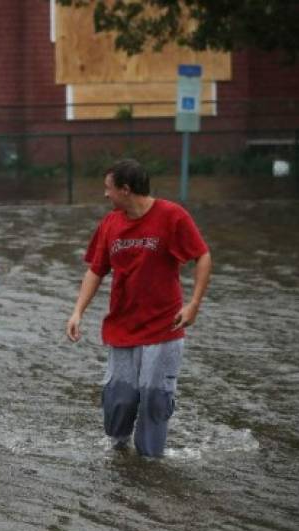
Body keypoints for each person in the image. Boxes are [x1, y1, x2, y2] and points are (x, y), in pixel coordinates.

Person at [66, 158, 212, 457]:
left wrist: (194, 304)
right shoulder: (110, 223)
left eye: (109, 189)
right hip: (122, 325)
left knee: (153, 396)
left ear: (126, 189)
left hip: (164, 325)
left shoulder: (172, 216)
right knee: (120, 399)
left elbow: (203, 256)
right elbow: (96, 270)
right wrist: (77, 311)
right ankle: (119, 454)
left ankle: (150, 463)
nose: (105, 195)